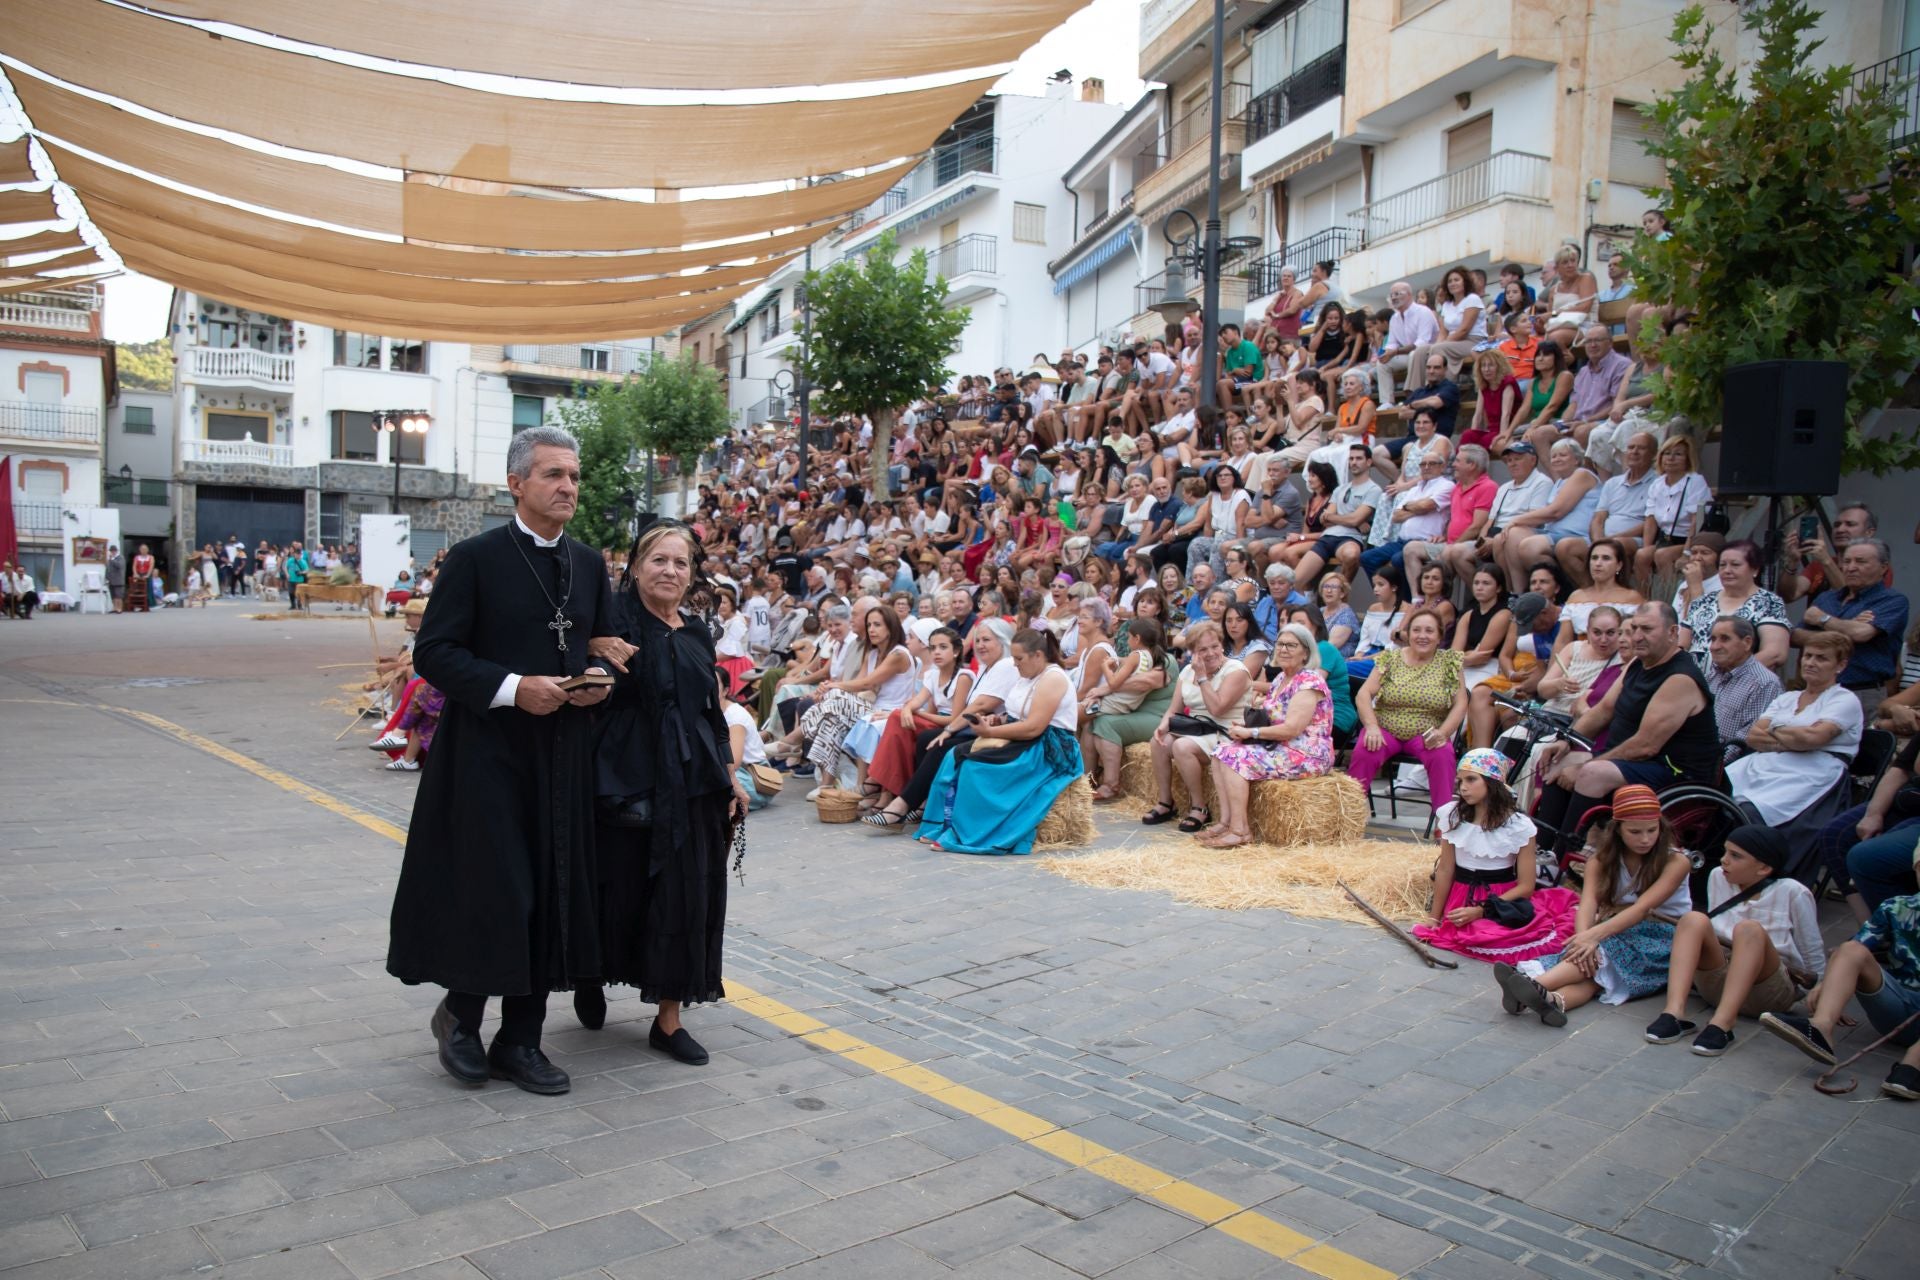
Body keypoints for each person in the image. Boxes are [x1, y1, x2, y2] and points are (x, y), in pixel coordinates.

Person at [386, 425, 615, 1096]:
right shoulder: (475, 558)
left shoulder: (591, 563)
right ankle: (460, 1017)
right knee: (497, 892)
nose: (568, 486)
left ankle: (521, 1040)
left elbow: (604, 644)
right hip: (487, 756)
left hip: (564, 757)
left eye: (573, 475)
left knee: (551, 894)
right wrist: (517, 688)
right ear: (516, 484)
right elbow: (435, 652)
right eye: (553, 475)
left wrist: (600, 676)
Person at [573, 518, 744, 1067]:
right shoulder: (614, 625)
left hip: (693, 784)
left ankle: (667, 1021)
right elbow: (593, 692)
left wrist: (730, 773)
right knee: (616, 892)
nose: (670, 571)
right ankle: (591, 975)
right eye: (659, 560)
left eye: (680, 563)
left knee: (687, 897)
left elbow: (711, 712)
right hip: (627, 782)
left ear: (692, 574)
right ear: (637, 567)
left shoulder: (697, 633)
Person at [1495, 784, 1693, 1024]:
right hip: (1617, 928)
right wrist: (1584, 939)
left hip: (1661, 936)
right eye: (1635, 832)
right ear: (1618, 830)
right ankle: (1554, 1001)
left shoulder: (1676, 861)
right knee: (1593, 973)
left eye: (1652, 831)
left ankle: (1532, 986)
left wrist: (1591, 939)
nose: (1646, 839)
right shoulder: (1601, 861)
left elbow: (1643, 909)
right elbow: (1587, 902)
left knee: (1601, 956)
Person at [1535, 604, 1721, 843]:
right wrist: (1566, 741)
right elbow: (1603, 710)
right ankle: (1543, 851)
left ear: (1673, 632)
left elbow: (1645, 746)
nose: (1637, 636)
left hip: (1674, 772)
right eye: (1634, 628)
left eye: (1647, 629)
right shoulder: (1637, 664)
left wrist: (1584, 768)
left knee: (1591, 772)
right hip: (1634, 762)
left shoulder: (1680, 678)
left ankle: (1568, 852)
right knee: (1557, 761)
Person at [1645, 825, 1823, 1056]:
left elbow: (1812, 949)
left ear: (1764, 868)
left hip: (1768, 989)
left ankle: (1723, 1023)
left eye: (1735, 856)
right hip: (1719, 981)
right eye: (1725, 852)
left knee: (1748, 930)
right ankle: (1674, 1012)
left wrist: (1822, 994)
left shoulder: (1793, 892)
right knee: (1692, 919)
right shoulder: (1718, 876)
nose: (1724, 860)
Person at [917, 628, 1081, 855]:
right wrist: (997, 721)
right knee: (954, 755)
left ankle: (968, 832)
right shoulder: (1028, 676)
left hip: (1047, 750)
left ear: (1038, 656)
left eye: (1019, 658)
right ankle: (943, 824)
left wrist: (991, 733)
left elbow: (1034, 727)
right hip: (1024, 739)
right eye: (1013, 658)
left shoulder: (1053, 678)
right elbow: (1018, 715)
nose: (1015, 664)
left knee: (974, 766)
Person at [1412, 749, 1579, 964]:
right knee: (1467, 935)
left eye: (1471, 779)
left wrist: (1483, 910)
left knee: (1497, 938)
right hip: (1461, 895)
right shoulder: (1452, 815)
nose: (1463, 787)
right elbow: (1445, 870)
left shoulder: (1518, 826)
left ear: (1492, 782)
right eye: (1460, 780)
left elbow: (1526, 886)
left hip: (1501, 899)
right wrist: (1434, 917)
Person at [862, 618, 1021, 830]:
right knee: (924, 737)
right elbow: (972, 707)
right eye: (978, 640)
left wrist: (948, 730)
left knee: (939, 743)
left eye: (987, 640)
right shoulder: (986, 667)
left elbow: (980, 705)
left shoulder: (1004, 665)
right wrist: (911, 710)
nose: (981, 645)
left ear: (1002, 641)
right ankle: (917, 801)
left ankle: (900, 805)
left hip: (991, 730)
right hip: (978, 725)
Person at [1762, 892, 1920, 1099]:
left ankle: (1913, 1065)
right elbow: (1858, 945)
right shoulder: (1897, 906)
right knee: (1851, 949)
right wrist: (1829, 985)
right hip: (1902, 1005)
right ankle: (1821, 1027)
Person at [1726, 631, 1862, 829]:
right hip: (1767, 766)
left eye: (1821, 658)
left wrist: (1775, 727)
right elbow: (1754, 736)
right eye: (1807, 656)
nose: (1810, 663)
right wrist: (1795, 738)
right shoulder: (1787, 698)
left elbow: (1812, 738)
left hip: (1810, 773)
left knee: (1750, 810)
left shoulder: (1843, 699)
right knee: (1713, 790)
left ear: (1840, 665)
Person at [1348, 607, 1468, 808]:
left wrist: (1443, 733)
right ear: (1408, 634)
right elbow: (1364, 694)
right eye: (1416, 630)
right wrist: (1371, 727)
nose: (1422, 636)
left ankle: (1444, 826)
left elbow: (1460, 703)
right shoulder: (1390, 658)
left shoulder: (1450, 663)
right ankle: (1346, 819)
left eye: (1429, 631)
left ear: (1439, 636)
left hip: (1428, 733)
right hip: (1385, 730)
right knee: (1365, 750)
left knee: (1443, 754)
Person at [1142, 620, 1254, 831]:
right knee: (1158, 742)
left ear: (1222, 645)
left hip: (1226, 731)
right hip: (1195, 728)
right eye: (1203, 649)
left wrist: (1202, 678)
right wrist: (1163, 725)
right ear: (1193, 652)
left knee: (1182, 746)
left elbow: (1218, 708)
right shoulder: (1187, 672)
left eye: (1215, 646)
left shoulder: (1235, 670)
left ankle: (1200, 807)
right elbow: (1174, 709)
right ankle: (1166, 802)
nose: (1211, 653)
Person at [1795, 539, 1908, 718]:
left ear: (1884, 567)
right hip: (1815, 692)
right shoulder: (1827, 598)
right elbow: (1795, 637)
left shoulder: (1893, 601)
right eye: (1847, 561)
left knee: (1856, 746)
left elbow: (1861, 633)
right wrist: (1847, 625)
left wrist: (1822, 619)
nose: (1851, 567)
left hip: (1862, 693)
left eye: (1861, 562)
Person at [1678, 539, 1789, 673]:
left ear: (1755, 569)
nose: (1727, 571)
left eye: (1735, 565)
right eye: (1722, 565)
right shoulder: (1703, 601)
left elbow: (1775, 653)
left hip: (1742, 684)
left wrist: (1728, 677)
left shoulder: (1768, 602)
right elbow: (1681, 645)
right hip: (1693, 681)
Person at [1634, 436, 1713, 585]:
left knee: (1663, 555)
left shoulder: (1695, 481)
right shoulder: (1657, 484)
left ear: (1687, 459)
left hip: (1689, 540)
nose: (1671, 458)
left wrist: (1687, 552)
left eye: (1678, 454)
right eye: (1667, 453)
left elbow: (1696, 522)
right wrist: (1647, 547)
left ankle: (1669, 600)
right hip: (1665, 539)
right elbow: (1650, 520)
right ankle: (1644, 599)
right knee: (1642, 555)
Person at [1702, 616, 1782, 762]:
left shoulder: (1764, 683)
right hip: (1693, 758)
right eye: (1713, 639)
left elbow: (1745, 743)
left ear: (1747, 642)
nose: (1714, 646)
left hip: (1724, 770)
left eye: (1724, 639)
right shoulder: (1712, 675)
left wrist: (1708, 766)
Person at [1373, 281, 1440, 407]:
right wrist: (1387, 353)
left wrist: (1396, 352)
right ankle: (1387, 401)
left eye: (1397, 294)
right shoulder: (1395, 318)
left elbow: (1422, 343)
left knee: (1414, 354)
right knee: (1382, 363)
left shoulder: (1423, 312)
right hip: (1407, 354)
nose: (1393, 297)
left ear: (1409, 295)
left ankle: (1414, 396)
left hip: (1429, 354)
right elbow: (1392, 343)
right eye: (1391, 295)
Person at [127, 544, 154, 614]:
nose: (143, 551)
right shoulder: (137, 557)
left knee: (148, 590)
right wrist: (135, 573)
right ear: (140, 550)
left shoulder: (150, 557)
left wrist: (148, 575)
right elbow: (134, 566)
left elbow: (151, 566)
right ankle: (139, 605)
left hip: (146, 575)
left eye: (145, 549)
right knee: (137, 590)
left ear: (147, 550)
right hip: (138, 574)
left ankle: (147, 605)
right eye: (142, 549)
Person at [105, 544, 125, 613]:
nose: (112, 552)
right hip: (111, 580)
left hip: (118, 580)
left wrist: (112, 559)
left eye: (113, 551)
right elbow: (107, 569)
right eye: (111, 551)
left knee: (118, 595)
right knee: (113, 595)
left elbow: (119, 566)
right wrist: (106, 578)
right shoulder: (110, 559)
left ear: (116, 551)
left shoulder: (120, 558)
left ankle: (119, 608)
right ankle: (114, 608)